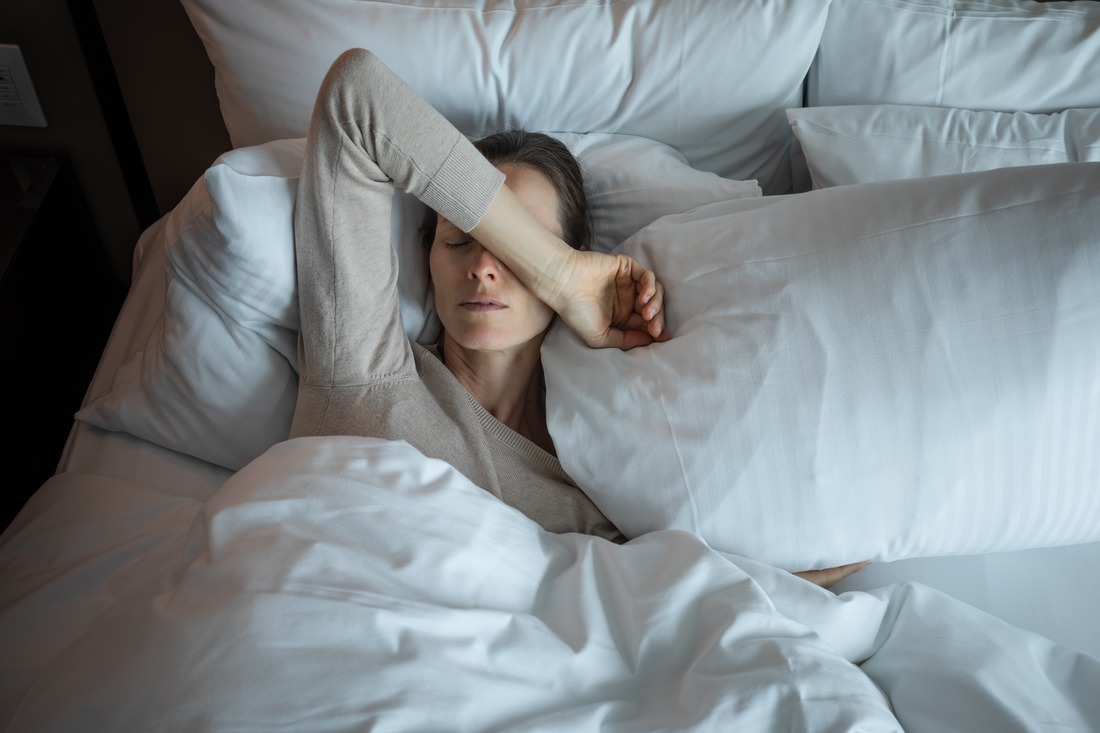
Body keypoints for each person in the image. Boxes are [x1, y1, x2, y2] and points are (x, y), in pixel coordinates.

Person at [291, 48, 864, 586]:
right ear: (428, 259)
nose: (485, 267)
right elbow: (355, 92)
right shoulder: (364, 373)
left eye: (520, 250)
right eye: (459, 241)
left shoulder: (600, 479)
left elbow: (673, 594)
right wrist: (559, 273)